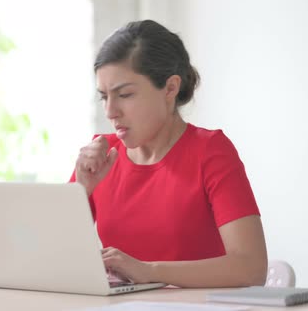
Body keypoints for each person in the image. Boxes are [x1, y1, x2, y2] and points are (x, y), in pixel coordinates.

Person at [70, 20, 267, 288]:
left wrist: (150, 271)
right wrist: (81, 189)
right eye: (104, 97)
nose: (110, 111)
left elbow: (251, 267)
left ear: (170, 88)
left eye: (125, 94)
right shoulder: (101, 157)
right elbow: (47, 258)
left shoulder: (210, 152)